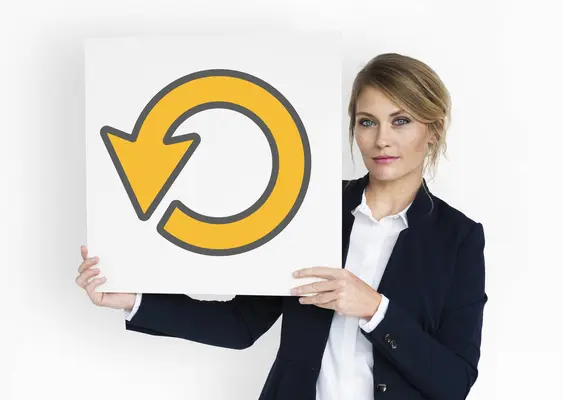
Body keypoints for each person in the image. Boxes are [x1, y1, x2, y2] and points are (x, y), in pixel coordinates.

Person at [76, 53, 487, 400]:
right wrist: (133, 298)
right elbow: (241, 324)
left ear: (432, 130)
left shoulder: (459, 239)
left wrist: (375, 310)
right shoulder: (312, 206)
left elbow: (453, 382)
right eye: (367, 121)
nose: (381, 139)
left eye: (401, 121)